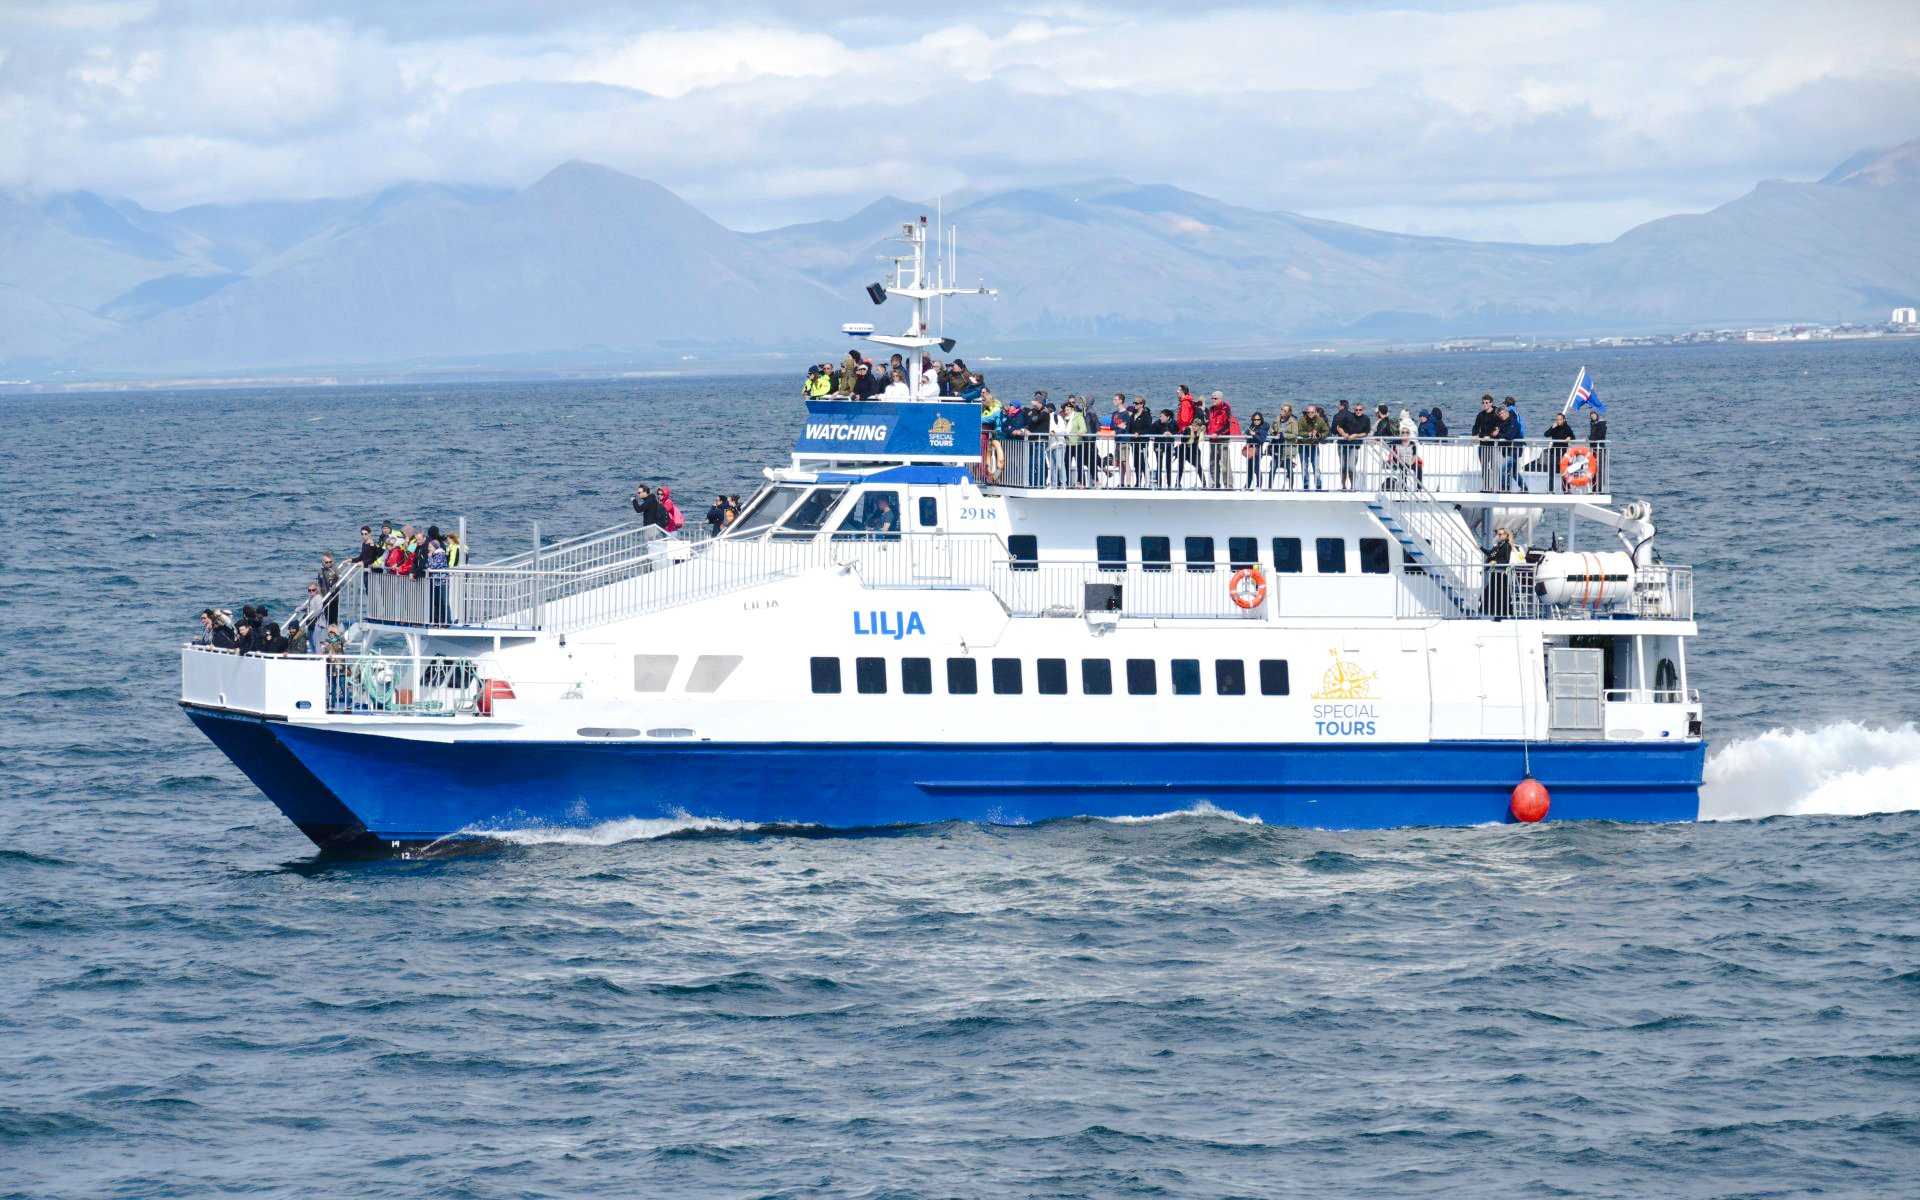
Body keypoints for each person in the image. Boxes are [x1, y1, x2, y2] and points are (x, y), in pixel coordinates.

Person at [1332, 399, 1369, 490]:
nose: (1358, 411)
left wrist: (1356, 435)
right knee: (1343, 467)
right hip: (1342, 444)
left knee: (1351, 467)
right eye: (1356, 410)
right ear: (1354, 410)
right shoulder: (1348, 416)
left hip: (1354, 446)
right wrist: (1344, 434)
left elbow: (1366, 433)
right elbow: (1338, 427)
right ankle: (1343, 486)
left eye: (1360, 410)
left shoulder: (1366, 419)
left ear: (1363, 410)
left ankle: (1352, 486)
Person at [1293, 405, 1329, 490]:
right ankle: (1306, 484)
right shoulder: (1302, 419)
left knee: (1316, 466)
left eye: (1312, 412)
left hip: (1314, 446)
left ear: (1315, 412)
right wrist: (1308, 434)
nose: (1310, 414)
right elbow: (1299, 432)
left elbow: (1327, 431)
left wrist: (1319, 435)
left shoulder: (1320, 420)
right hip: (1303, 446)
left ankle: (1318, 484)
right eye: (1308, 412)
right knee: (1304, 466)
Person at [1483, 526, 1516, 618]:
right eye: (1498, 534)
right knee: (1490, 594)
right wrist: (1480, 548)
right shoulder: (1498, 546)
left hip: (1501, 575)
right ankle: (1491, 613)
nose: (1498, 536)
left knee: (1501, 595)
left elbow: (1506, 561)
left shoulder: (1506, 546)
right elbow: (1490, 554)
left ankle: (1502, 614)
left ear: (1506, 535)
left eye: (1500, 534)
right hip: (1495, 574)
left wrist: (1496, 562)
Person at [1471, 394, 1500, 491]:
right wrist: (1474, 434)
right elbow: (1476, 426)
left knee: (1494, 466)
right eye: (1483, 403)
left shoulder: (1496, 414)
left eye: (1487, 402)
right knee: (1484, 466)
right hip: (1483, 444)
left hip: (1493, 444)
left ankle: (1497, 487)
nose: (1485, 404)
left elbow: (1498, 429)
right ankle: (1487, 486)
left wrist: (1491, 436)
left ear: (1491, 403)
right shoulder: (1481, 414)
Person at [1205, 391, 1234, 487]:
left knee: (1225, 465)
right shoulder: (1210, 409)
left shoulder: (1226, 408)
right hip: (1212, 440)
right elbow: (1208, 423)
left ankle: (1228, 485)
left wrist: (1217, 434)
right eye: (1212, 398)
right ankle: (1215, 483)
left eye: (1215, 398)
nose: (1213, 400)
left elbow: (1227, 425)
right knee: (1213, 464)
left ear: (1221, 399)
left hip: (1222, 440)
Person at [1497, 397, 1525, 492]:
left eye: (1502, 413)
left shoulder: (1513, 418)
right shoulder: (1507, 419)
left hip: (1515, 447)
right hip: (1510, 448)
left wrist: (1499, 434)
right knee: (1513, 472)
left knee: (1503, 468)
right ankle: (1524, 487)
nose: (1501, 415)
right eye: (1500, 414)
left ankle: (1504, 487)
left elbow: (1510, 435)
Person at [1544, 412, 1575, 492]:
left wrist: (1569, 437)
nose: (1558, 421)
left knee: (1565, 473)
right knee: (1551, 473)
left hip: (1563, 454)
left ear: (1563, 420)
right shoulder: (1554, 427)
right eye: (1557, 420)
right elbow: (1546, 434)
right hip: (1554, 453)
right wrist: (1552, 427)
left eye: (1560, 420)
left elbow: (1573, 437)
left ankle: (1566, 490)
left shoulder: (1567, 428)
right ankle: (1551, 490)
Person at [1243, 412, 1269, 489]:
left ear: (1261, 420)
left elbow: (1262, 440)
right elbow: (1247, 433)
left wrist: (1254, 434)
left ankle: (1259, 485)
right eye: (1254, 419)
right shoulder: (1252, 426)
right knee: (1250, 469)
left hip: (1257, 451)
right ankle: (1247, 486)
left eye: (1258, 419)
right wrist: (1246, 434)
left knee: (1256, 469)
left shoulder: (1263, 427)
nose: (1256, 421)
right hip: (1250, 450)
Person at [1587, 409, 1609, 491]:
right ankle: (1594, 487)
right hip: (1594, 449)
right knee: (1594, 469)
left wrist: (1589, 438)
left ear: (1597, 415)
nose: (1592, 416)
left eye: (1594, 414)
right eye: (1591, 415)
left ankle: (1599, 488)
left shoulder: (1601, 424)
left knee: (1599, 470)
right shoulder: (1593, 424)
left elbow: (1599, 436)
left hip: (1600, 449)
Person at [316, 551, 340, 625]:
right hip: (325, 597)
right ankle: (330, 633)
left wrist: (334, 586)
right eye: (327, 562)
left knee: (333, 618)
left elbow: (340, 578)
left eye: (330, 562)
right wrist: (319, 595)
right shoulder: (320, 570)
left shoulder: (334, 568)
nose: (329, 564)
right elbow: (319, 583)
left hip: (334, 597)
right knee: (327, 618)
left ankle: (335, 632)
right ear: (323, 561)